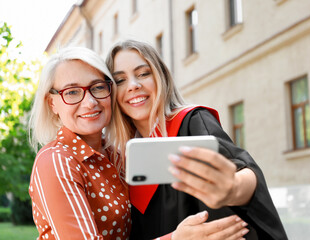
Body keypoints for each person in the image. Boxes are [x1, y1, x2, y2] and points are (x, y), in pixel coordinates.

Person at [105, 40, 288, 240]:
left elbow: (240, 172)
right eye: (120, 80)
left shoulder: (191, 123)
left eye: (143, 74)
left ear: (161, 77)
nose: (133, 86)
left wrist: (233, 188)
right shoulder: (118, 159)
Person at [28, 46, 131, 240]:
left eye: (98, 87)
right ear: (52, 103)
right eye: (72, 92)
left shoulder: (115, 155)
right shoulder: (56, 161)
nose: (90, 102)